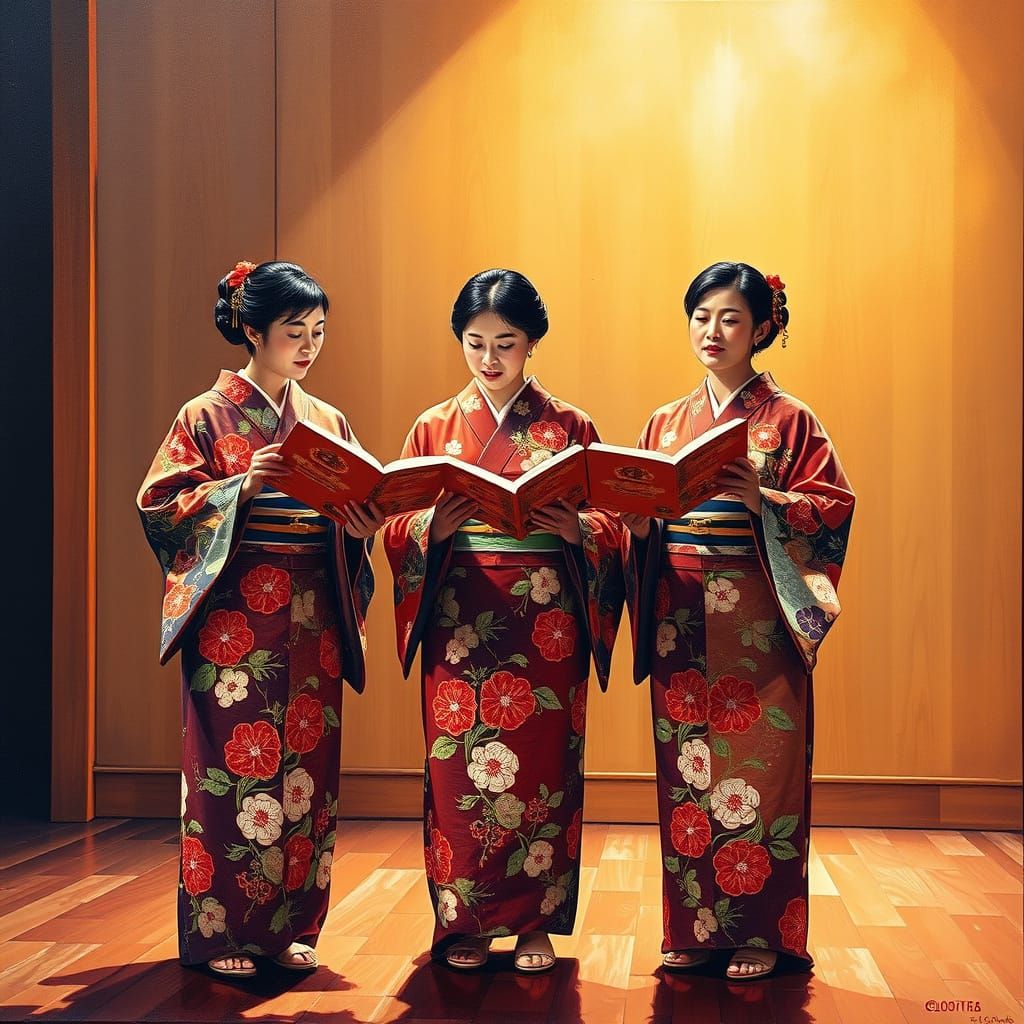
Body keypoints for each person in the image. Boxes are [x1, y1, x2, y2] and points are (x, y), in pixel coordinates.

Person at [137, 260, 383, 978]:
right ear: (252, 331)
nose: (308, 347)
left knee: (306, 775)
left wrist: (360, 522)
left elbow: (349, 511)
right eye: (293, 333)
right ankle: (221, 934)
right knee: (228, 772)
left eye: (318, 333)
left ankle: (289, 928)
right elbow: (161, 505)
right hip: (235, 620)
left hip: (313, 615)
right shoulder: (203, 416)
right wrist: (241, 487)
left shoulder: (327, 420)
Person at [382, 269, 623, 973]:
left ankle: (535, 924)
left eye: (506, 344)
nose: (490, 360)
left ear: (532, 343)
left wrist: (581, 531)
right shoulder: (434, 426)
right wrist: (432, 524)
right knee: (459, 772)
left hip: (547, 621)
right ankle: (465, 920)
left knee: (543, 773)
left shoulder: (570, 427)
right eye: (476, 343)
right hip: (458, 620)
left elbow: (614, 521)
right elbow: (394, 522)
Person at [622, 262, 854, 981]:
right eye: (700, 316)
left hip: (760, 615)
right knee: (689, 772)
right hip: (680, 616)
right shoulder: (666, 420)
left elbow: (833, 509)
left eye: (729, 318)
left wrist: (766, 502)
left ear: (761, 328)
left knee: (763, 773)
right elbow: (637, 518)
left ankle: (762, 934)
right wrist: (633, 519)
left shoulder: (791, 420)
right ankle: (693, 929)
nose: (712, 331)